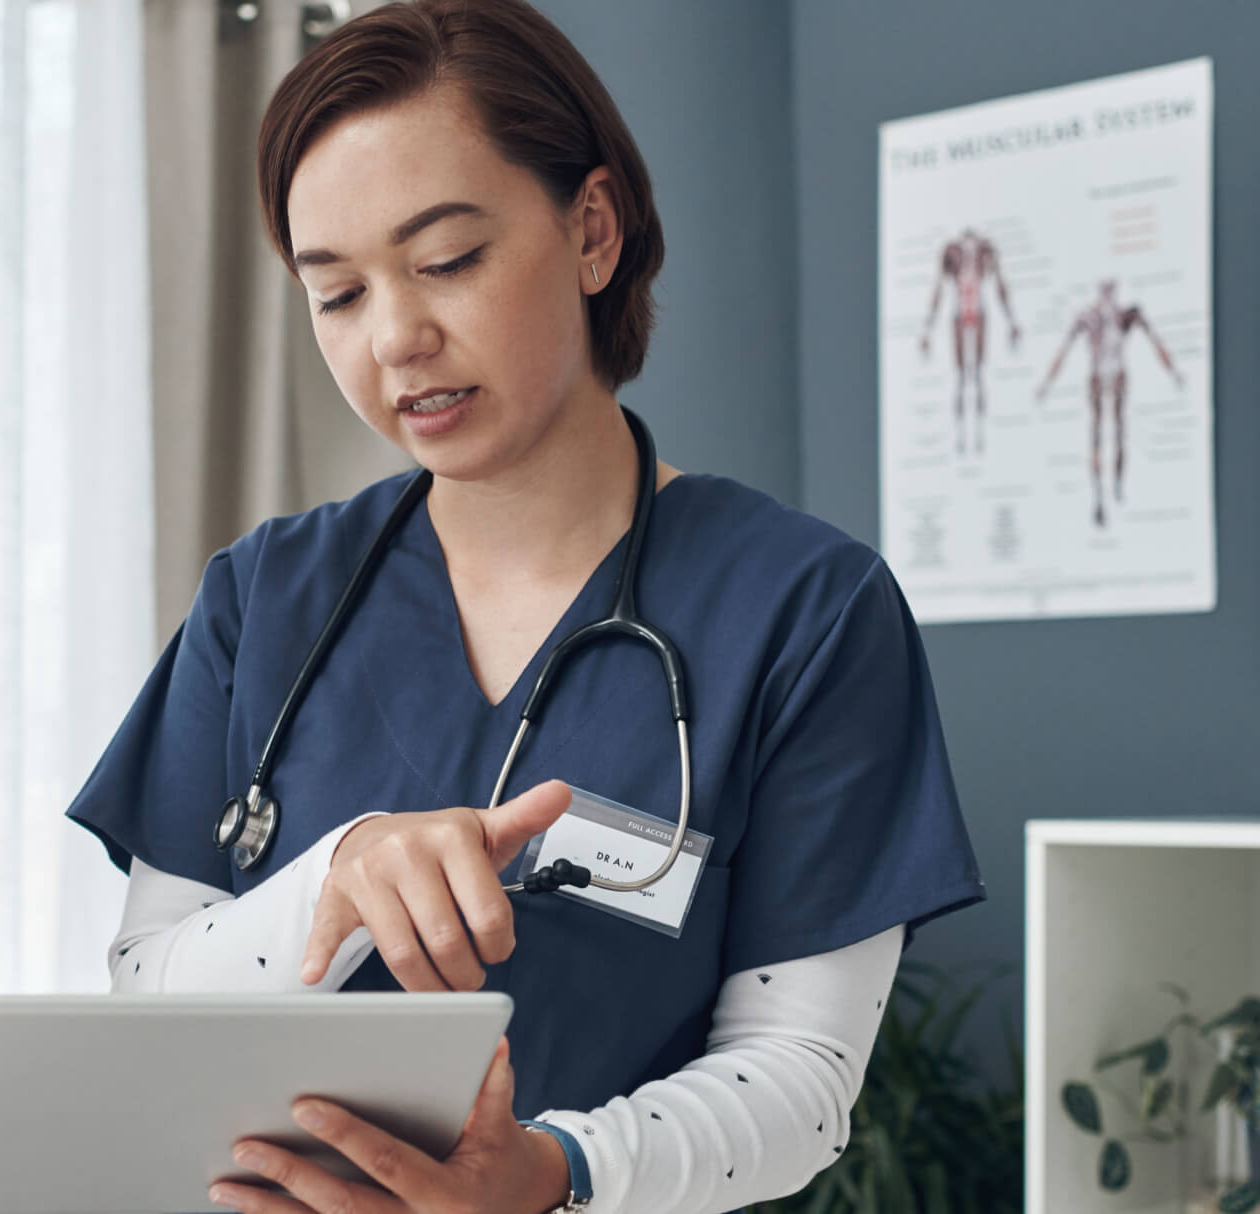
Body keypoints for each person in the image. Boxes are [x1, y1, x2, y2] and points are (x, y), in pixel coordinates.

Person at [66, 3, 984, 1212]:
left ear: (592, 231)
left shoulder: (805, 610)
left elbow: (800, 1074)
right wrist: (335, 878)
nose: (396, 336)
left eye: (446, 260)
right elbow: (146, 993)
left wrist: (558, 1171)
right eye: (336, 294)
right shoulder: (263, 597)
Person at [1035, 279, 1184, 527]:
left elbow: (1155, 342)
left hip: (1117, 376)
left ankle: (1117, 489)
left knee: (1118, 433)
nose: (1108, 294)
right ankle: (1100, 498)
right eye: (1105, 290)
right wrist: (1047, 384)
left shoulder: (1127, 316)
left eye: (1111, 290)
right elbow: (1064, 350)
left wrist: (1173, 372)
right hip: (1098, 377)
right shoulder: (1089, 317)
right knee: (1097, 437)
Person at [918, 226, 1021, 455]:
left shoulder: (986, 252)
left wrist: (1012, 320)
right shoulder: (951, 253)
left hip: (979, 311)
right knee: (961, 378)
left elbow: (1000, 286)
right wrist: (927, 329)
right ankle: (961, 436)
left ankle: (980, 435)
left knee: (979, 376)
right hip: (959, 313)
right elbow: (939, 290)